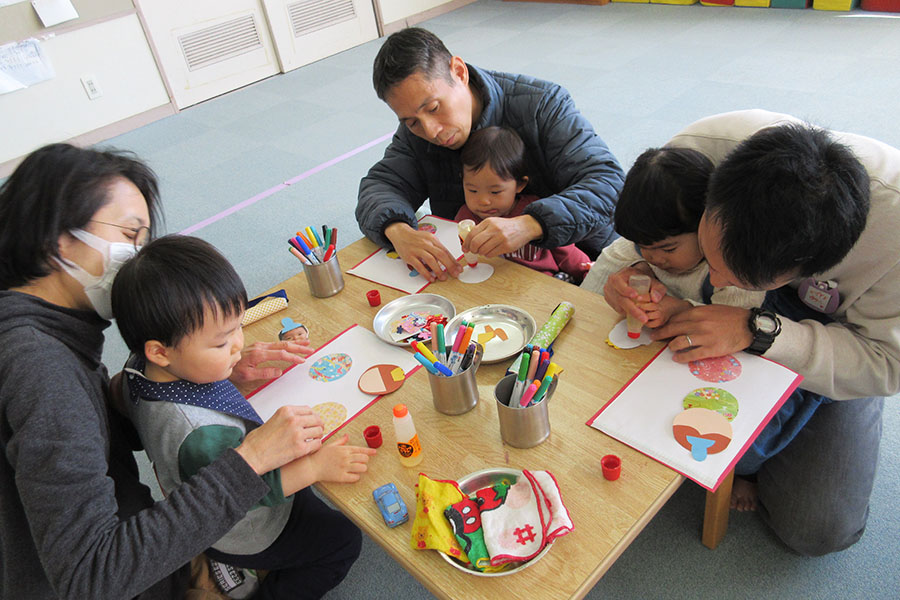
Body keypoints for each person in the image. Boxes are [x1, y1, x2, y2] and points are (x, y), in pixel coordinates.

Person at [0, 143, 333, 599]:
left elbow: (92, 430)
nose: (138, 256)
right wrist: (250, 461)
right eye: (130, 235)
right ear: (57, 239)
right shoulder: (41, 367)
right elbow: (92, 578)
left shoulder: (41, 327)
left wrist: (202, 375)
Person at [604, 110, 896, 556]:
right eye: (710, 254)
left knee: (816, 530)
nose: (714, 282)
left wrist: (757, 330)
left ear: (807, 271)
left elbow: (885, 364)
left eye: (733, 277)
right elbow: (640, 238)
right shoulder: (701, 148)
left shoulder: (891, 248)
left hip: (856, 338)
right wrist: (626, 273)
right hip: (767, 307)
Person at [111, 235, 375, 599]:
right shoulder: (199, 432)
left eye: (238, 326)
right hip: (242, 528)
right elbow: (246, 490)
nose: (239, 343)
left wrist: (227, 371)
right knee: (342, 540)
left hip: (213, 494)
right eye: (221, 342)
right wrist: (314, 468)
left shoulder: (137, 368)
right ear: (160, 352)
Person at [357, 27, 624, 282]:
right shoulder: (416, 133)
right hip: (483, 270)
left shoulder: (542, 106)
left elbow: (608, 182)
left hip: (579, 263)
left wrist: (531, 224)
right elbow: (381, 185)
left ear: (459, 72)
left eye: (435, 108)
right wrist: (398, 230)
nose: (431, 131)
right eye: (412, 121)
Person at [582, 146, 764, 323]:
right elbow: (585, 300)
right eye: (643, 246)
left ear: (706, 224)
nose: (654, 258)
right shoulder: (645, 240)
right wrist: (622, 284)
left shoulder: (734, 270)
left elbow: (733, 323)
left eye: (668, 249)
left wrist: (684, 309)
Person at [456, 126, 592, 283]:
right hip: (495, 285)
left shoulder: (535, 212)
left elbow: (565, 251)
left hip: (542, 281)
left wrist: (587, 270)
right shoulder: (464, 219)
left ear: (520, 184)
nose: (483, 201)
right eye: (472, 190)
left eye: (495, 192)